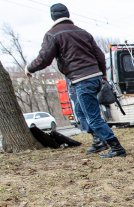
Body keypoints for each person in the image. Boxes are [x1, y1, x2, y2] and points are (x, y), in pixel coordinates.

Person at [26, 3, 126, 158]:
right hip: (93, 77)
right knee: (80, 111)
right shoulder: (83, 32)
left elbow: (44, 59)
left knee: (93, 117)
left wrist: (29, 68)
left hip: (82, 80)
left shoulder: (52, 34)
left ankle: (116, 147)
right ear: (67, 14)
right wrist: (102, 75)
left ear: (52, 16)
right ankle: (99, 141)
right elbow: (100, 56)